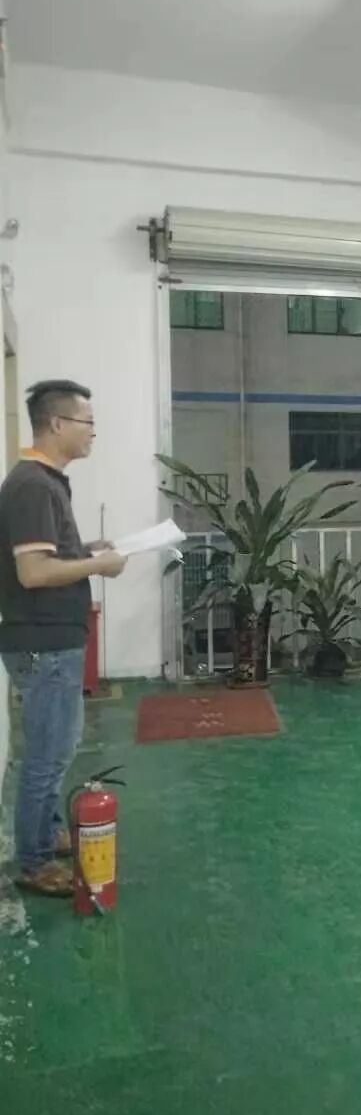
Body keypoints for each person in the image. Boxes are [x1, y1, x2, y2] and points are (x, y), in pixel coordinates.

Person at [0, 380, 128, 897]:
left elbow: (48, 554)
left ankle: (46, 831)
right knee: (47, 754)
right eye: (87, 422)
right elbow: (33, 572)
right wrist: (98, 565)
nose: (93, 432)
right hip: (42, 642)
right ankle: (32, 861)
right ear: (57, 424)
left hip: (52, 640)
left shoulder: (44, 481)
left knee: (57, 747)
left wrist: (87, 549)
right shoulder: (33, 485)